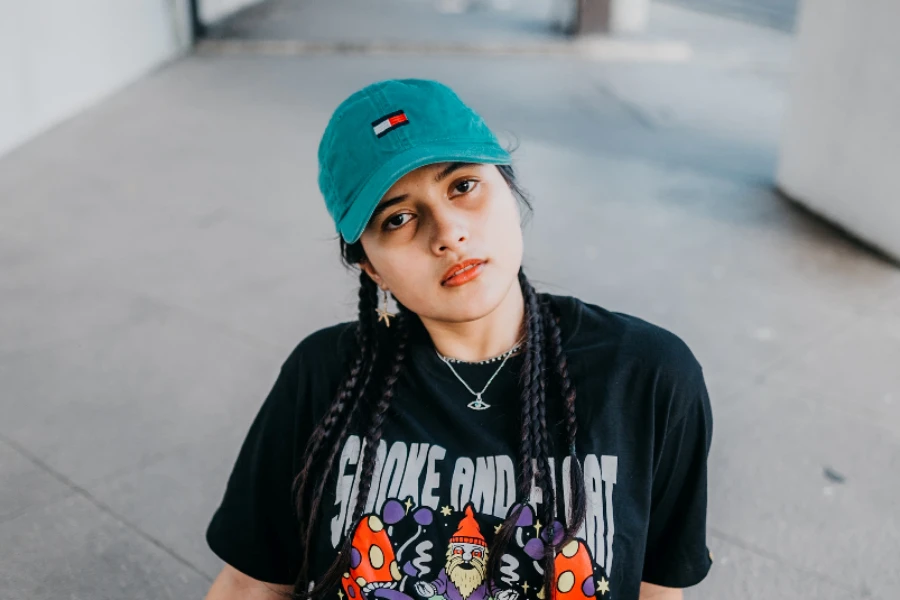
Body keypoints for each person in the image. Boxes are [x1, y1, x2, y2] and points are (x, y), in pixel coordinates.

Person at [204, 79, 713, 600]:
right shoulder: (323, 376)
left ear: (508, 190)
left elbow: (656, 588)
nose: (447, 232)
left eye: (463, 186)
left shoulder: (647, 376)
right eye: (398, 218)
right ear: (370, 267)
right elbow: (251, 585)